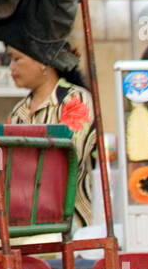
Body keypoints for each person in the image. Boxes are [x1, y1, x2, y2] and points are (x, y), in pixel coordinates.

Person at [7, 44, 96, 229]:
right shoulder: (18, 112)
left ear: (43, 62)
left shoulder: (76, 100)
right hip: (27, 226)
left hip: (73, 228)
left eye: (17, 59)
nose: (11, 67)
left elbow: (66, 161)